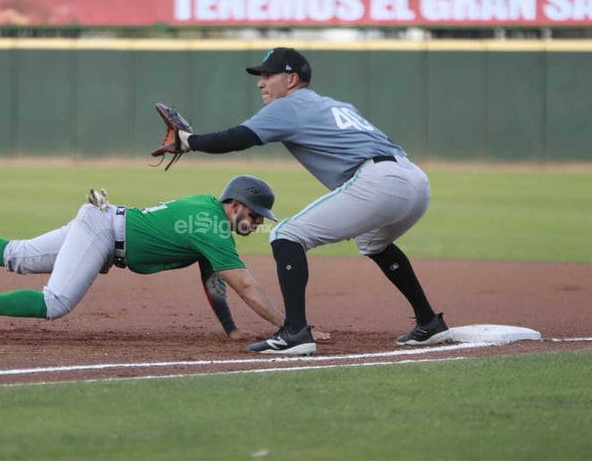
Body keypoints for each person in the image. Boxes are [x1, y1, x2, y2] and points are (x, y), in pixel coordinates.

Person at [174, 47, 451, 355]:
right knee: (374, 244)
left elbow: (239, 138)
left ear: (291, 79)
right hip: (413, 178)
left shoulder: (289, 105)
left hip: (381, 181)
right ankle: (428, 322)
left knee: (285, 233)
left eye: (268, 75)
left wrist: (189, 141)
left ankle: (295, 332)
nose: (260, 83)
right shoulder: (332, 104)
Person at [0, 175, 287, 343]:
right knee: (56, 302)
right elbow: (245, 284)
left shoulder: (206, 209)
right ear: (234, 204)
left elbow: (213, 279)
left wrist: (231, 330)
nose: (255, 222)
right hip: (104, 233)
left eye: (259, 219)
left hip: (102, 223)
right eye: (253, 214)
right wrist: (289, 327)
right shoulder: (211, 226)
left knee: (16, 255)